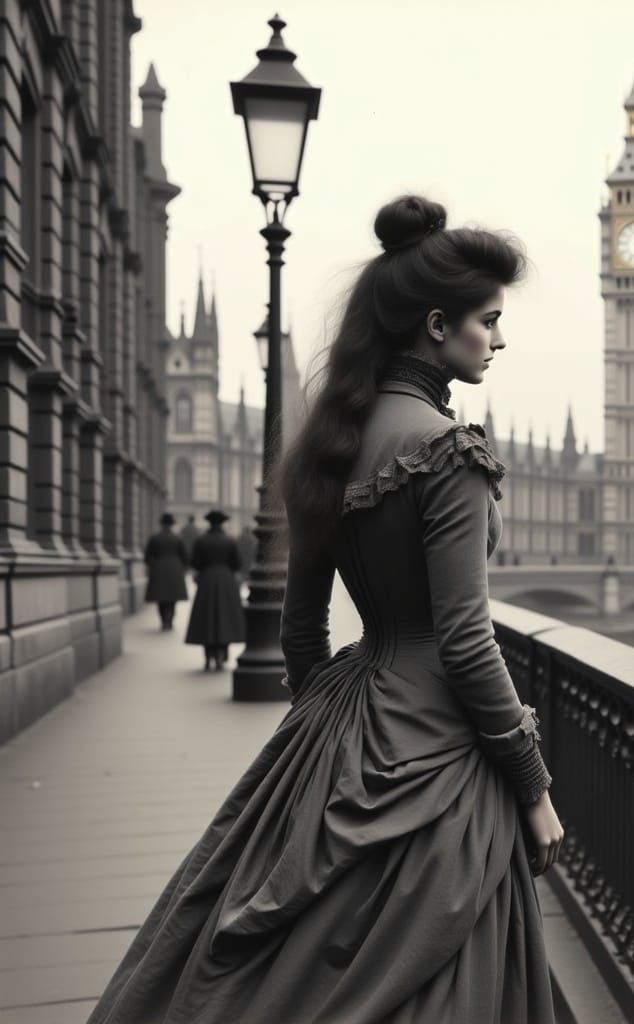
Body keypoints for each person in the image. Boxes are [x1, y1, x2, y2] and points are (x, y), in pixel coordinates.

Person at [87, 195, 562, 1023]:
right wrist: (531, 784)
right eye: (489, 320)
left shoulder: (327, 443)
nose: (499, 337)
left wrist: (332, 740)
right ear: (439, 325)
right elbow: (465, 639)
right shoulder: (452, 453)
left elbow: (301, 634)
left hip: (345, 717)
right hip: (441, 751)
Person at [183, 509, 246, 671]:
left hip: (206, 581)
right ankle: (222, 655)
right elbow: (237, 563)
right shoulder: (229, 541)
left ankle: (208, 656)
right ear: (223, 523)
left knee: (206, 618)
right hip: (226, 581)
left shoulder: (201, 541)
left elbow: (195, 563)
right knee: (225, 618)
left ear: (209, 523)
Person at [143, 512, 188, 630]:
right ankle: (170, 619)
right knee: (172, 597)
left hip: (159, 569)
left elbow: (147, 557)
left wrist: (153, 565)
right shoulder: (177, 538)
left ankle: (164, 620)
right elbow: (184, 557)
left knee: (161, 596)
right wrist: (182, 569)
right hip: (174, 569)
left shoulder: (154, 538)